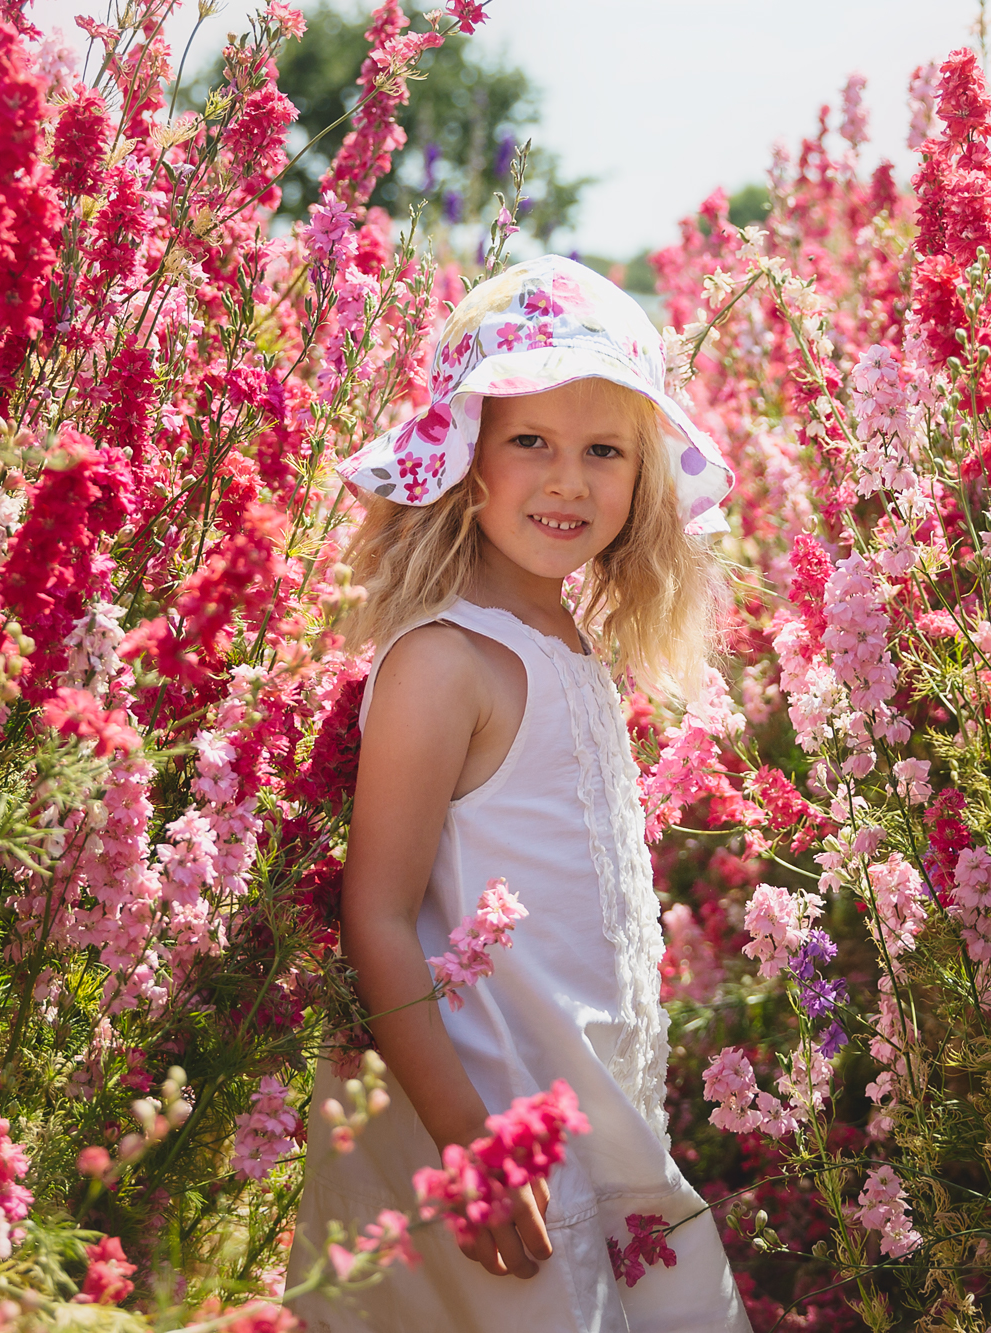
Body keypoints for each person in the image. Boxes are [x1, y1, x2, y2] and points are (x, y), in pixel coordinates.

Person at [287, 254, 753, 1332]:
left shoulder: (565, 647)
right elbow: (379, 913)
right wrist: (469, 1141)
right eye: (529, 442)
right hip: (487, 1130)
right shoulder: (446, 661)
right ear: (465, 457)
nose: (566, 480)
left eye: (602, 451)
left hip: (590, 1122)